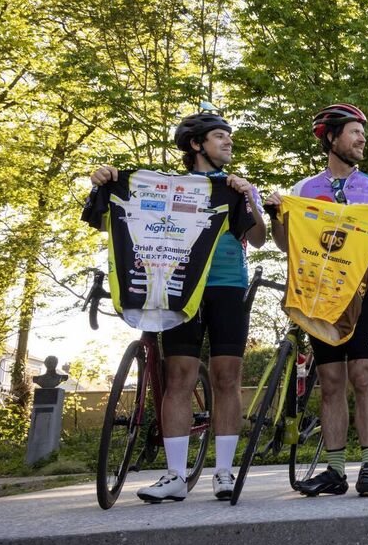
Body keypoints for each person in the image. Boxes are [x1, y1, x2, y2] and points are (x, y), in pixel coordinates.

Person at [90, 108, 266, 502]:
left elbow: (258, 237)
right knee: (179, 377)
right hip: (179, 285)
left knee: (227, 377)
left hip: (227, 284)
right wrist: (106, 178)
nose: (229, 143)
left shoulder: (237, 186)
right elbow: (124, 212)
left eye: (230, 137)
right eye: (221, 136)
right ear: (196, 144)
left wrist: (247, 197)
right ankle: (174, 475)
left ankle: (223, 471)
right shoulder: (168, 185)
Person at [267, 103, 368, 496]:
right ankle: (336, 469)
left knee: (363, 375)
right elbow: (284, 246)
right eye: (354, 132)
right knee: (329, 381)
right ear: (331, 137)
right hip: (319, 295)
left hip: (363, 290)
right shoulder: (304, 190)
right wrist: (278, 216)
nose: (362, 139)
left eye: (363, 132)